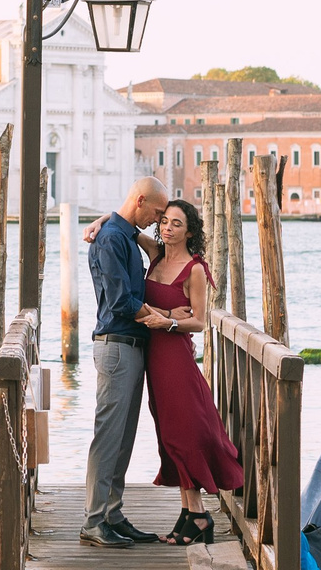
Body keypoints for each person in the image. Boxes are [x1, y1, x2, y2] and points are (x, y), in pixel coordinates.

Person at [132, 198, 243, 542]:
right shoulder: (156, 254)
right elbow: (125, 225)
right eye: (164, 221)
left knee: (183, 433)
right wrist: (97, 222)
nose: (167, 228)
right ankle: (188, 513)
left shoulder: (194, 268)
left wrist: (167, 321)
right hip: (153, 360)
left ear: (190, 231)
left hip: (175, 359)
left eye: (176, 224)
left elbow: (199, 321)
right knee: (168, 433)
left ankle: (198, 516)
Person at [81, 176, 168, 550]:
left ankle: (112, 514)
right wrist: (166, 316)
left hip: (130, 346)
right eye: (157, 213)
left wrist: (129, 230)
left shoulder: (123, 233)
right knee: (108, 436)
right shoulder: (112, 238)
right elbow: (120, 302)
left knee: (124, 437)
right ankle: (93, 519)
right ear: (141, 200)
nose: (158, 220)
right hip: (116, 344)